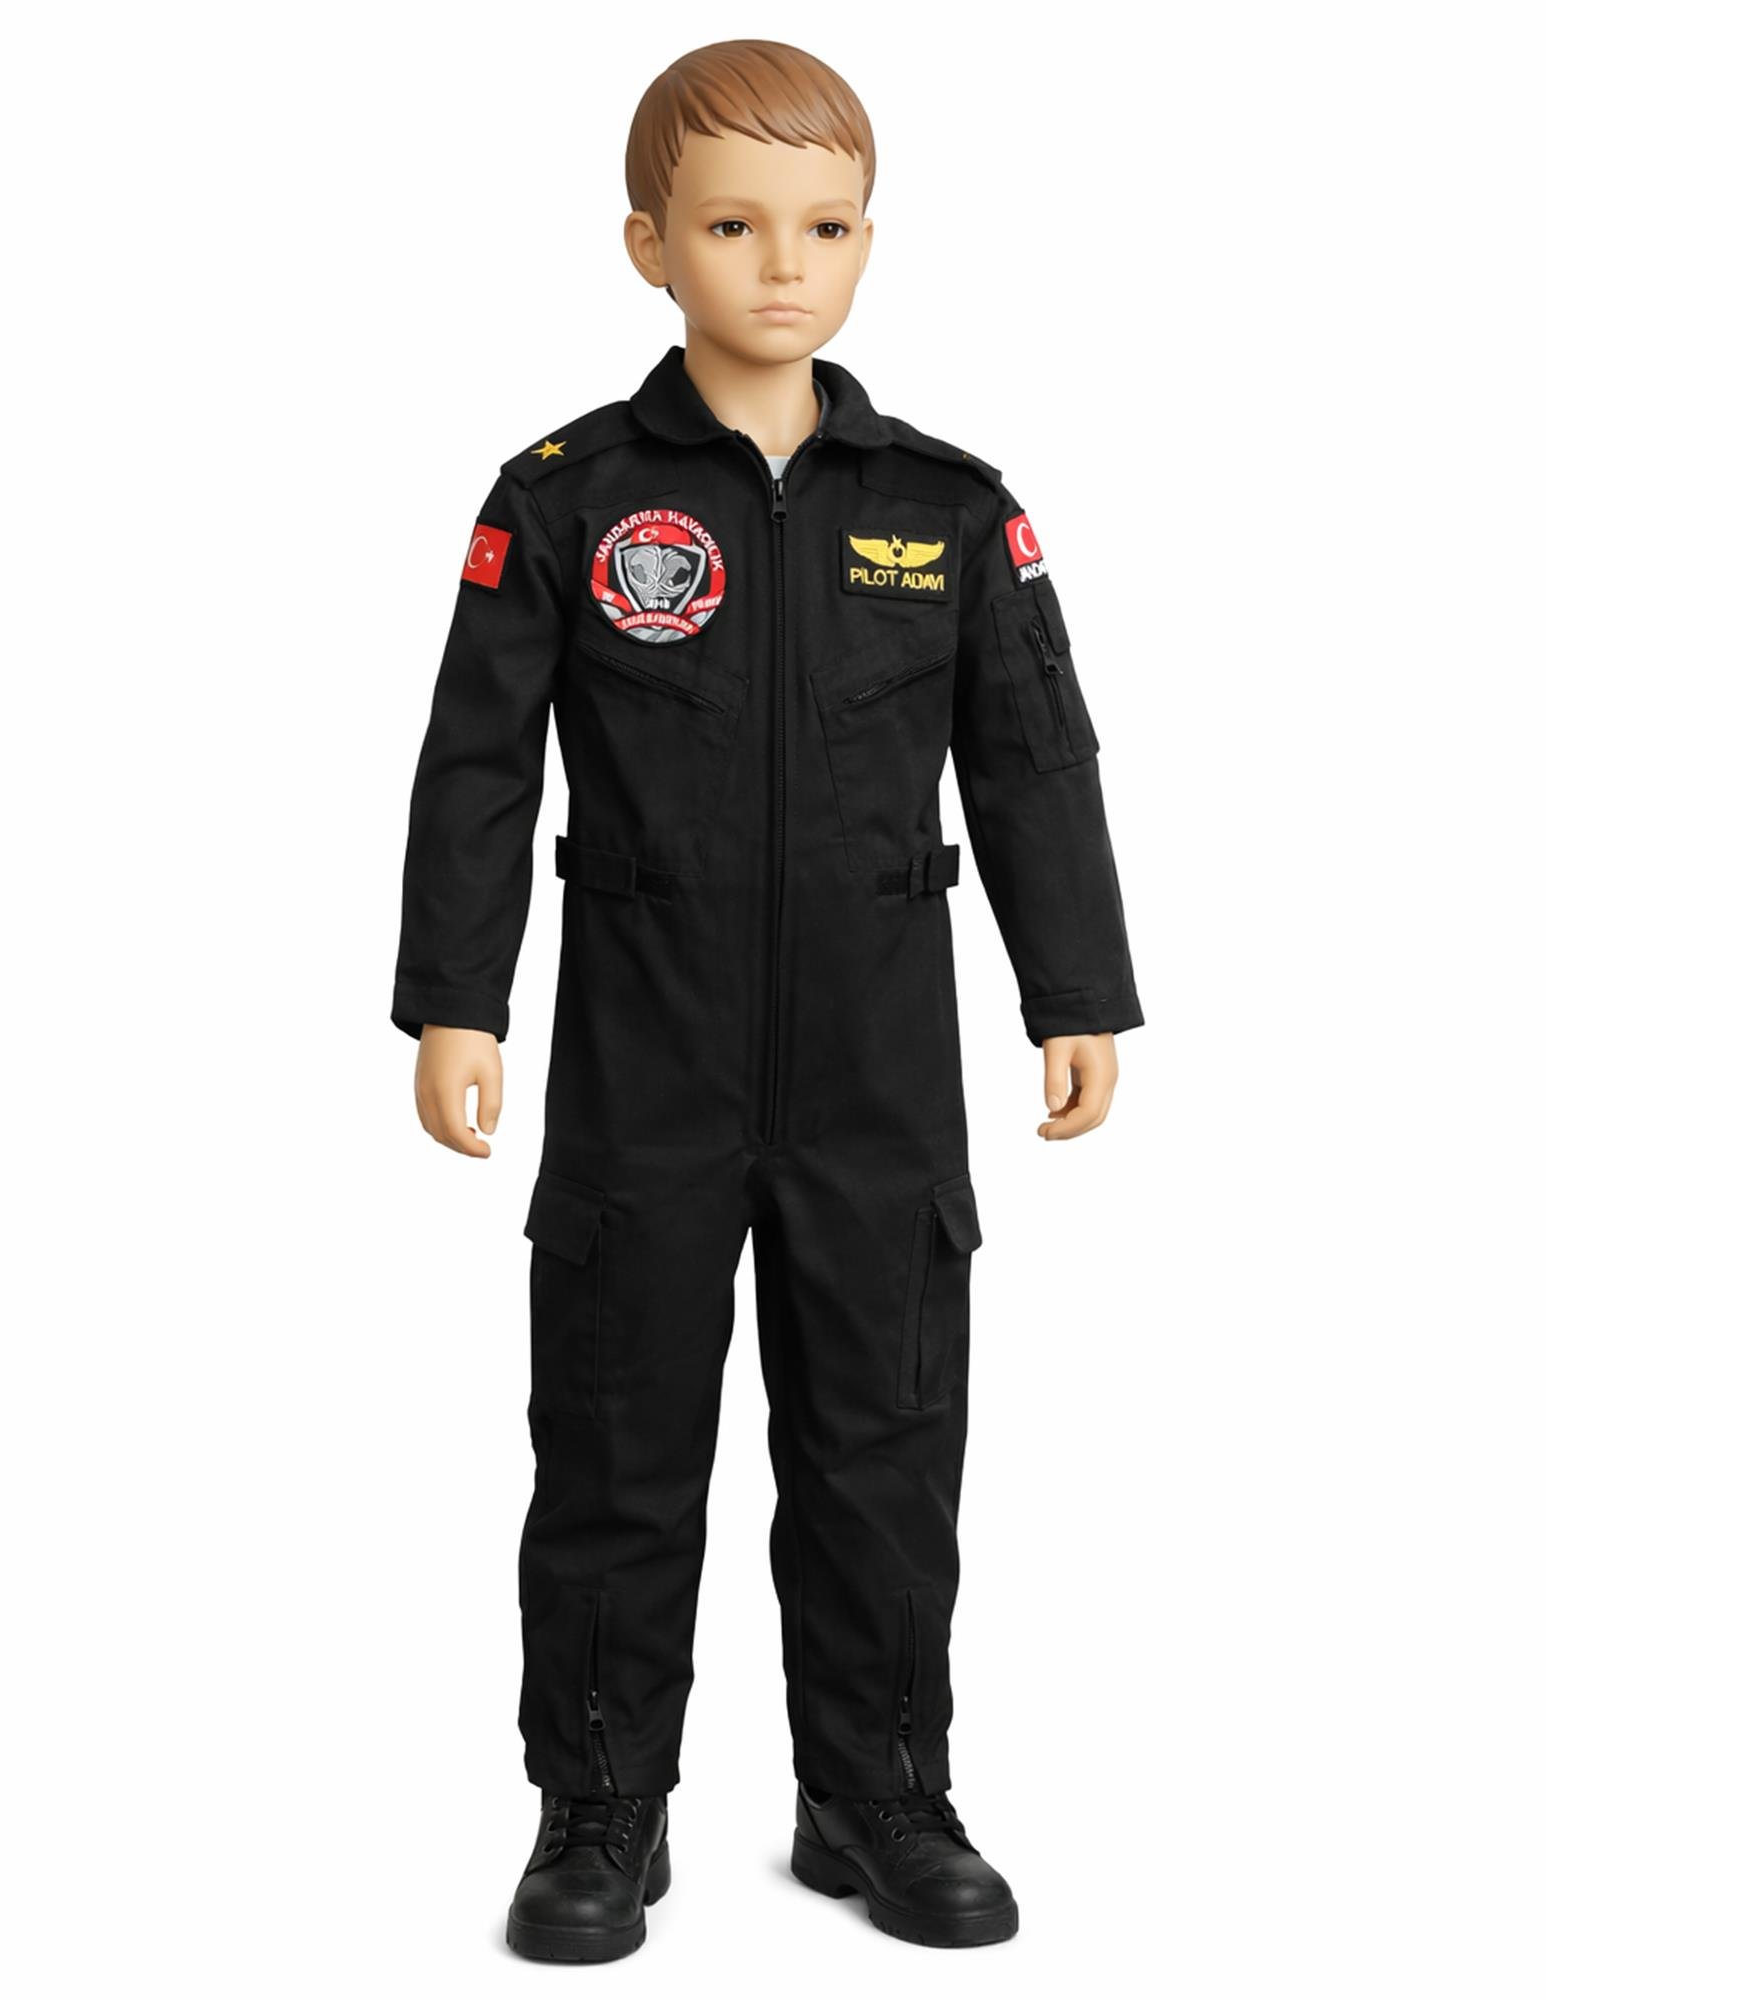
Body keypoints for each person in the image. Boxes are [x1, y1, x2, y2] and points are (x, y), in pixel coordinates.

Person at [392, 39, 1143, 1960]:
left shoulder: (949, 510)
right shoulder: (567, 498)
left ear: (870, 242)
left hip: (877, 1062)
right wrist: (458, 1002)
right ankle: (599, 1805)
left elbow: (1034, 761)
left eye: (824, 227)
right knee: (617, 1438)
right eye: (731, 225)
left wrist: (1074, 989)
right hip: (645, 1047)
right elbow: (477, 765)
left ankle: (876, 1791)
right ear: (649, 244)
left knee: (885, 1441)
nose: (782, 265)